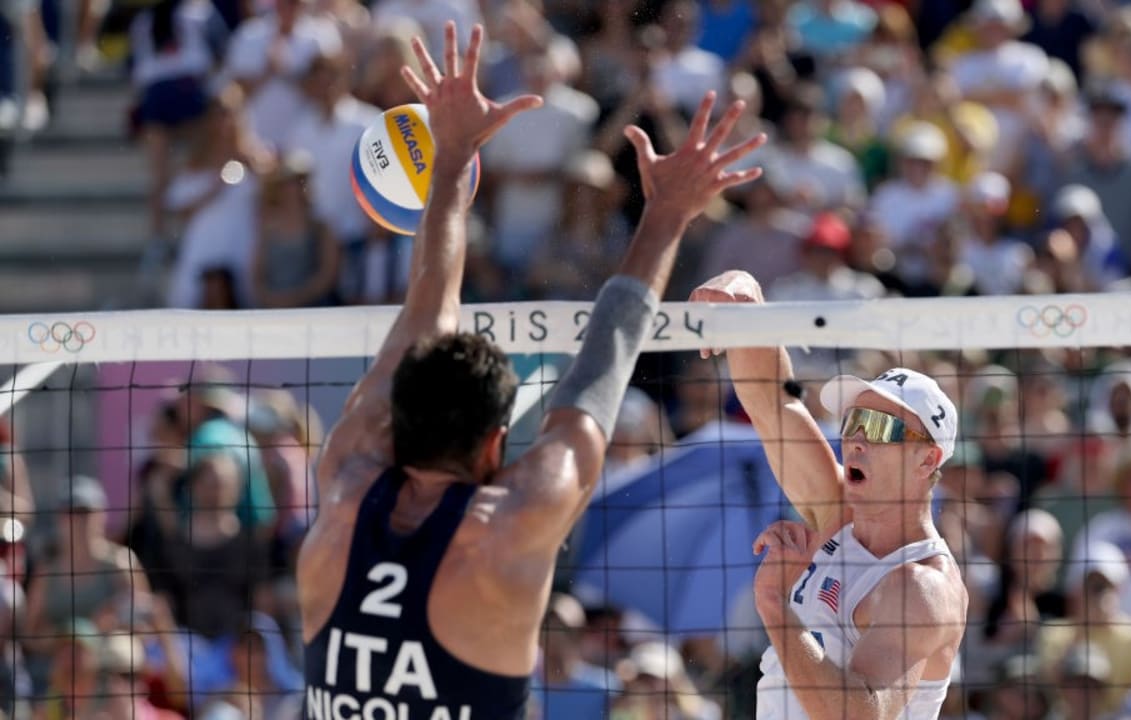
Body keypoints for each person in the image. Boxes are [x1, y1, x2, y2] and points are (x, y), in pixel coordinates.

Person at [295, 22, 766, 720]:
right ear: (494, 444)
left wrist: (449, 159)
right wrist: (666, 213)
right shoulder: (509, 528)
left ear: (391, 415)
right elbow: (600, 368)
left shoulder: (342, 482)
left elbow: (429, 304)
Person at [690, 270, 967, 719]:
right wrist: (747, 303)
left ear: (927, 460)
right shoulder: (837, 513)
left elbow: (860, 714)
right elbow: (774, 401)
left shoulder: (922, 587)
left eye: (878, 429)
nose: (855, 440)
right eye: (852, 423)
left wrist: (775, 607)